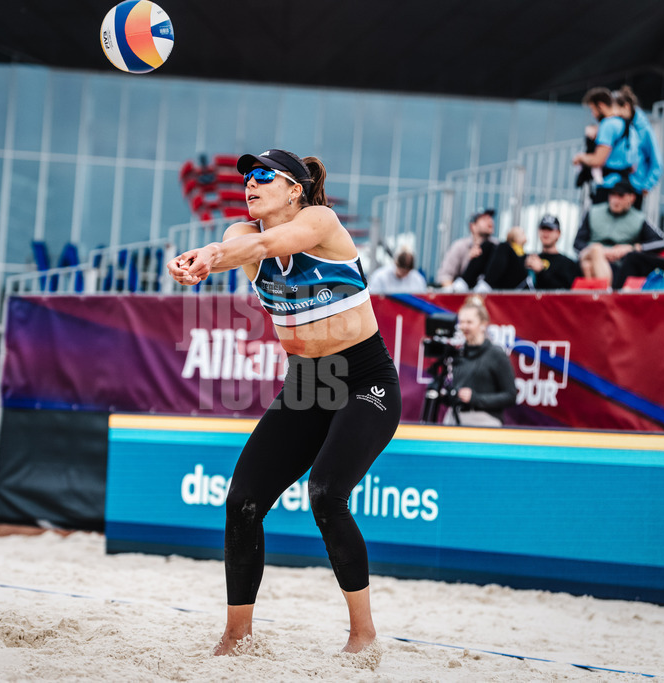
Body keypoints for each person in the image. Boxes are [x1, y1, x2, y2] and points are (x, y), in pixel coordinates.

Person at [167, 148, 401, 656]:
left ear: (294, 188)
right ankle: (237, 634)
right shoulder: (238, 236)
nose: (249, 184)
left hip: (365, 381)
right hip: (307, 387)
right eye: (245, 177)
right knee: (242, 502)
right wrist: (206, 257)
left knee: (325, 494)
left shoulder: (320, 220)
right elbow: (241, 247)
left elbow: (280, 241)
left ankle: (363, 635)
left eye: (262, 176)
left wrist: (207, 257)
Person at [573, 180, 664, 289]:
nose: (615, 200)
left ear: (631, 198)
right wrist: (602, 252)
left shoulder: (639, 219)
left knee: (587, 265)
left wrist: (632, 248)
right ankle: (606, 292)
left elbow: (663, 242)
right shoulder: (593, 212)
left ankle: (598, 295)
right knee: (596, 250)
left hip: (616, 265)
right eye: (612, 195)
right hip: (589, 254)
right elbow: (577, 243)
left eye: (621, 196)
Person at [443, 296, 516, 427]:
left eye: (469, 322)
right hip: (454, 417)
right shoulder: (457, 353)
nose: (464, 326)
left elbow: (510, 395)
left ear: (483, 324)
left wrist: (476, 398)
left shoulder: (496, 354)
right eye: (462, 322)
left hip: (485, 419)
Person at [573, 87, 639, 205]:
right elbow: (634, 165)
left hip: (609, 188)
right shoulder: (631, 128)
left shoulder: (608, 125)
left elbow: (598, 160)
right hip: (627, 188)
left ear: (601, 106)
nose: (593, 115)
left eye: (593, 110)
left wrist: (580, 157)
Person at [614, 86, 662, 209]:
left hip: (635, 187)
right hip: (616, 185)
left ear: (626, 106)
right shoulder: (618, 126)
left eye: (617, 110)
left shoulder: (644, 129)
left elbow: (657, 162)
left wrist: (646, 185)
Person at [436, 209, 498, 290]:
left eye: (490, 218)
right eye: (484, 219)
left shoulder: (497, 246)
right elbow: (445, 276)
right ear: (473, 226)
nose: (490, 221)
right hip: (464, 296)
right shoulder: (460, 246)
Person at [525, 215, 581, 290]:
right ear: (538, 231)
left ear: (558, 233)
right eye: (543, 228)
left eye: (550, 229)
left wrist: (540, 272)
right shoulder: (530, 259)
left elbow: (565, 292)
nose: (546, 233)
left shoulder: (568, 264)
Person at [476, 226, 527, 290]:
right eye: (522, 233)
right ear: (515, 238)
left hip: (513, 284)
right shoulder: (505, 250)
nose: (525, 235)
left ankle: (485, 285)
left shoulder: (524, 254)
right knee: (488, 245)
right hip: (506, 282)